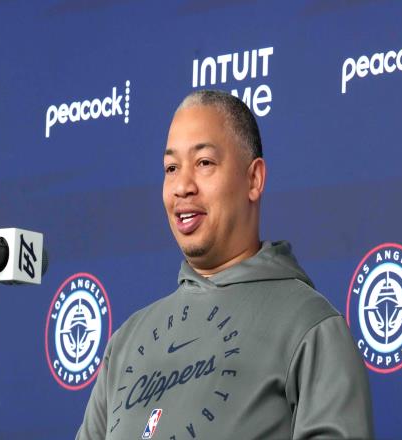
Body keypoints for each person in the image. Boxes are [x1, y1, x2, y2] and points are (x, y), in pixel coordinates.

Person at [76, 90, 374, 439]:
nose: (182, 186)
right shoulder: (125, 342)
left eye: (204, 163)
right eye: (171, 168)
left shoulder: (311, 327)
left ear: (254, 179)